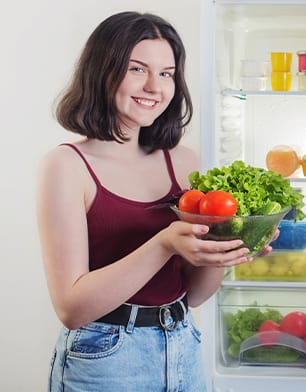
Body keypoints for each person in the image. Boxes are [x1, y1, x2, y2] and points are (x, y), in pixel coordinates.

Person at [36, 11, 261, 391]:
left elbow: (193, 295)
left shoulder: (183, 161)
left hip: (182, 346)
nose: (155, 87)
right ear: (101, 70)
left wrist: (229, 248)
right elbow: (71, 308)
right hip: (105, 357)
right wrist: (163, 244)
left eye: (167, 73)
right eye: (137, 69)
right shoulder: (66, 166)